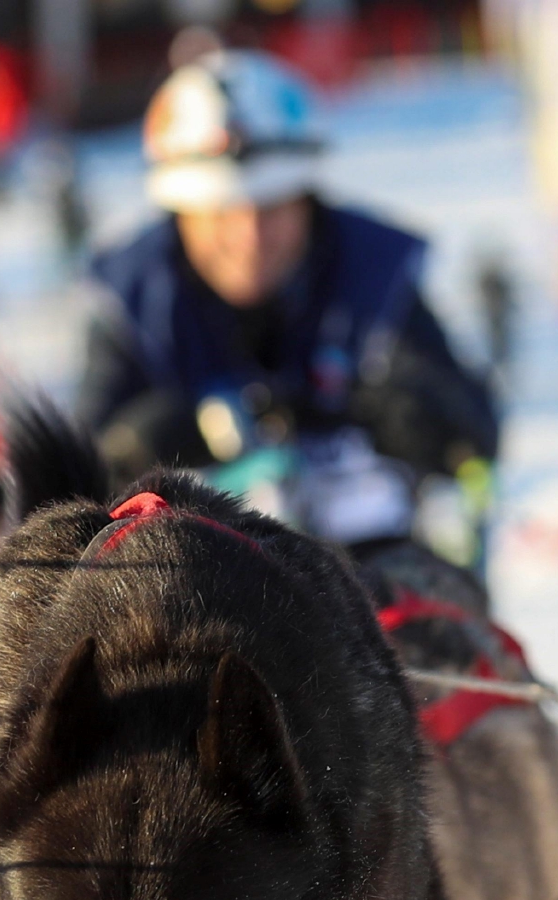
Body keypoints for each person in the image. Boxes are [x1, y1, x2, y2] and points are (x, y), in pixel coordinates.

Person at [78, 50, 497, 551]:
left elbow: (475, 435)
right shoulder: (134, 302)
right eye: (220, 211)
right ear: (178, 211)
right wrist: (139, 447)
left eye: (271, 205)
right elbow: (77, 491)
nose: (249, 235)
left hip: (372, 580)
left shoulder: (375, 279)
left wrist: (422, 417)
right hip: (195, 593)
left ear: (307, 197)